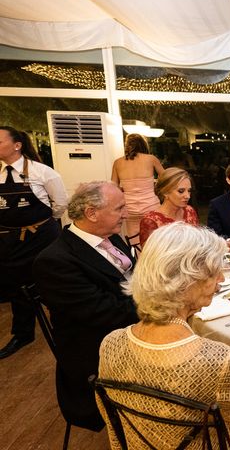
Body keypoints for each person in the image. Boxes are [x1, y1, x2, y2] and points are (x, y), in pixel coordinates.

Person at [98, 222, 230, 449]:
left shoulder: (110, 344)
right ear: (185, 283)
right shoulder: (219, 361)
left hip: (144, 443)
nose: (220, 279)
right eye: (213, 273)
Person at [33, 181, 138, 430]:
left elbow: (130, 279)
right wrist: (165, 301)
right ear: (91, 213)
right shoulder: (55, 261)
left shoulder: (109, 236)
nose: (125, 214)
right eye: (119, 208)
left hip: (124, 325)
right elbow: (108, 313)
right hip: (99, 353)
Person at [0, 126, 68, 359]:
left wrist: (41, 226)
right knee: (17, 287)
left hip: (41, 238)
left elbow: (59, 205)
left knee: (51, 283)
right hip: (10, 240)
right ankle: (23, 333)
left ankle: (62, 329)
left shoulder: (42, 172)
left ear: (17, 145)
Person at [111, 133, 164, 244]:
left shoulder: (117, 162)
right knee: (155, 239)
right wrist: (156, 185)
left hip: (129, 207)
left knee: (134, 240)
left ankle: (138, 260)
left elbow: (113, 187)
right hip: (150, 204)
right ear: (143, 144)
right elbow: (166, 178)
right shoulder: (151, 159)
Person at [138, 167, 198, 248]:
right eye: (181, 191)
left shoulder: (189, 211)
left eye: (189, 191)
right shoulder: (151, 221)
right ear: (165, 192)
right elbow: (150, 257)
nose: (187, 196)